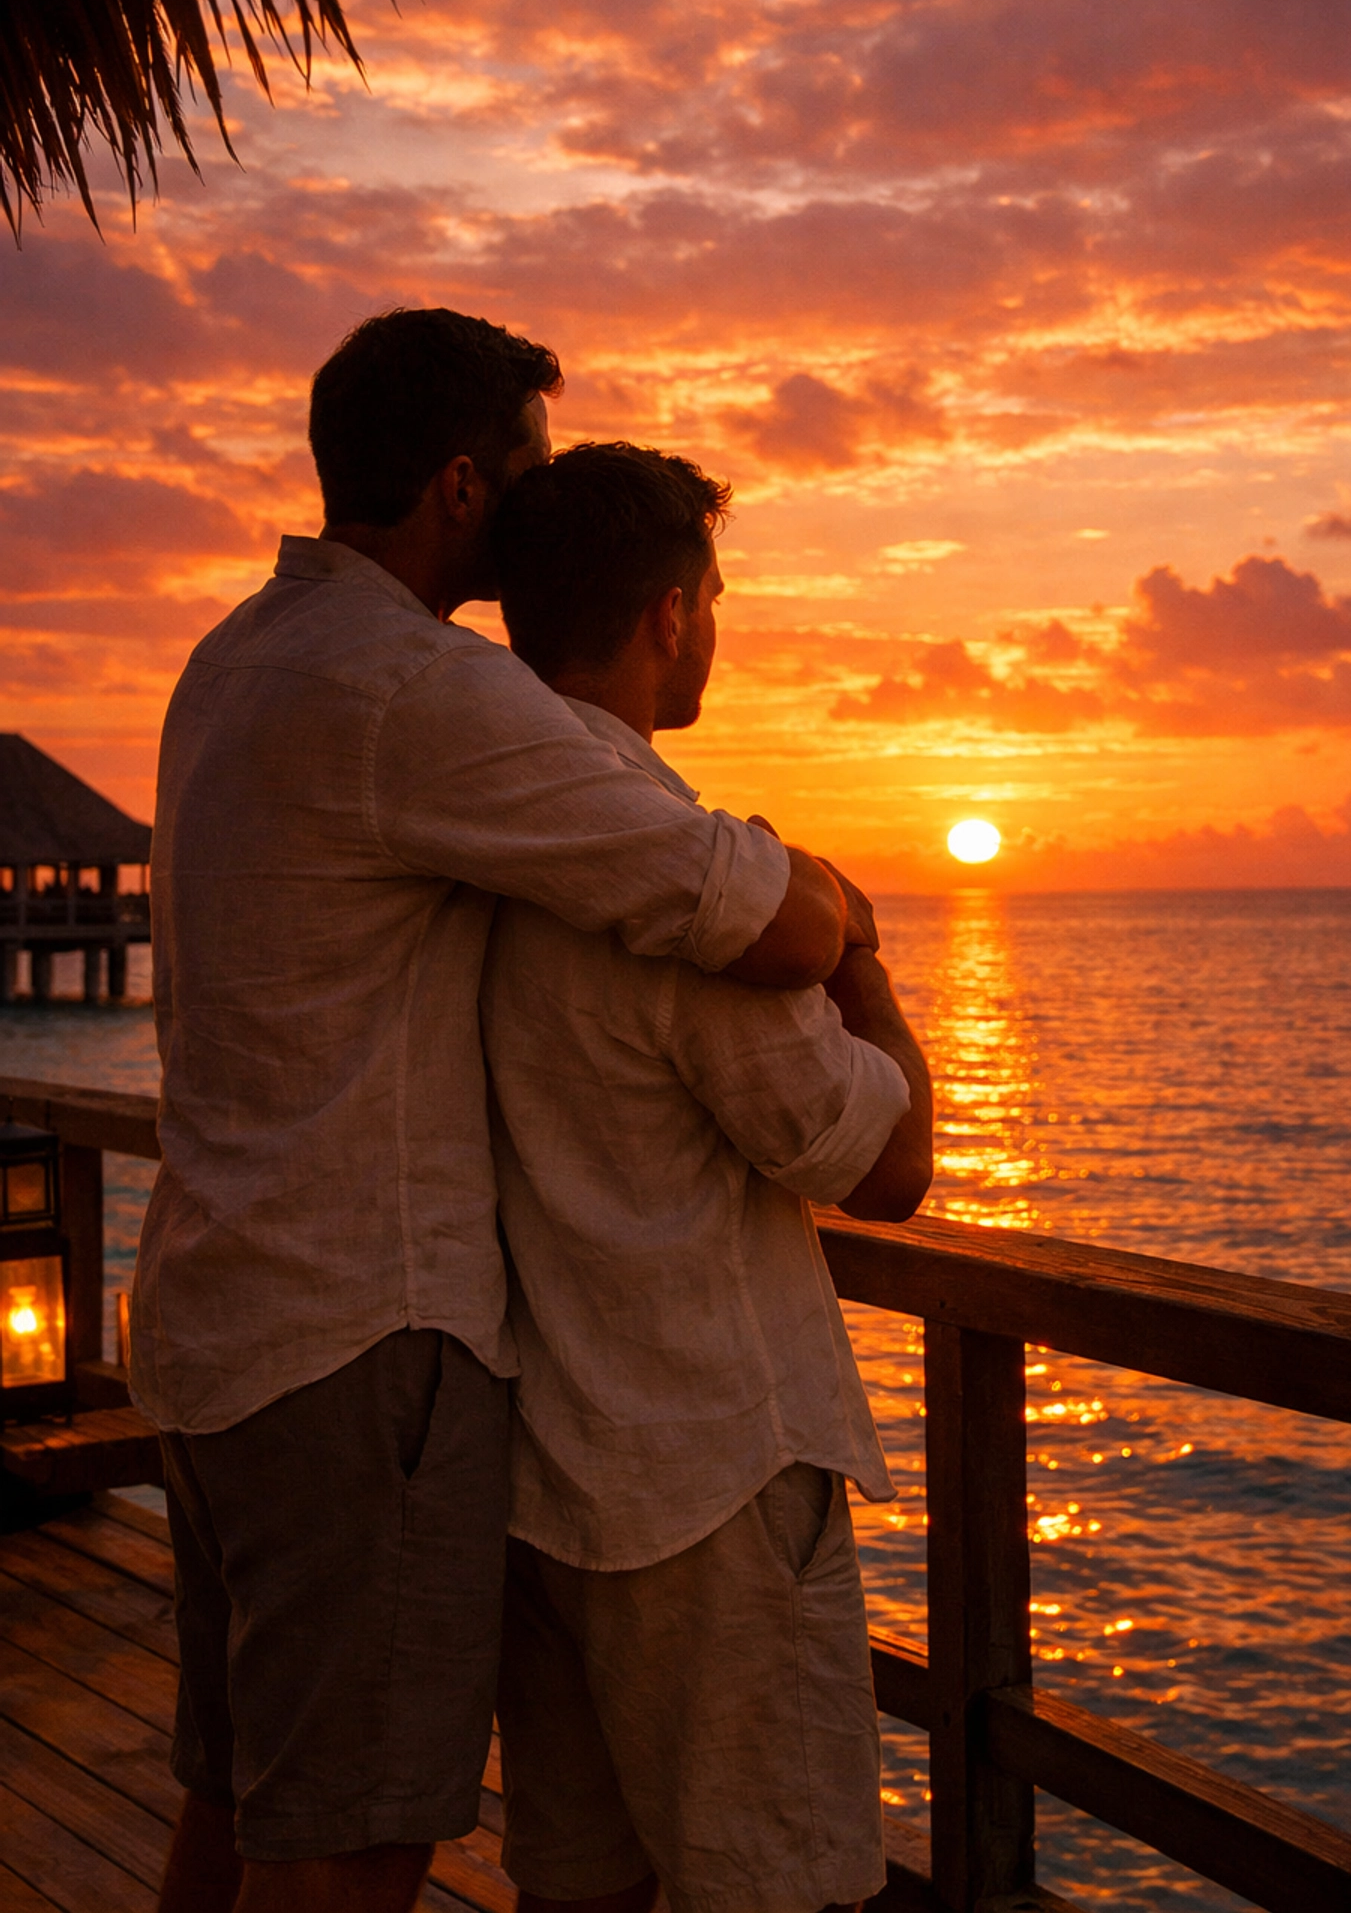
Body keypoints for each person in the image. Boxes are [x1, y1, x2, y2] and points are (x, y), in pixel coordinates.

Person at [132, 310, 856, 1913]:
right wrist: (838, 907)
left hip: (207, 1317)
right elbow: (734, 906)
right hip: (353, 1343)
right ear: (462, 485)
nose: (539, 509)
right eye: (527, 470)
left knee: (243, 1799)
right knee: (353, 1838)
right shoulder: (411, 685)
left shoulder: (230, 657)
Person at [484, 441, 934, 1913]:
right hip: (709, 1481)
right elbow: (890, 1169)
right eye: (718, 598)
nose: (720, 626)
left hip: (537, 1476)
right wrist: (860, 953)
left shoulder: (468, 847)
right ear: (670, 615)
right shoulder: (685, 886)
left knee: (580, 1891)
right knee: (783, 1886)